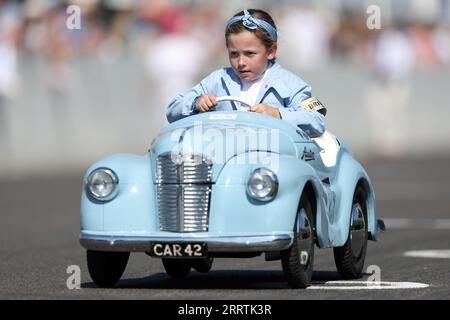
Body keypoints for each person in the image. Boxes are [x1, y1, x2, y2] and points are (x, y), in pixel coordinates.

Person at [166, 9, 326, 138]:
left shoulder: (292, 84)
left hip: (273, 163)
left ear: (271, 51)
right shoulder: (217, 80)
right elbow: (172, 110)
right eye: (234, 54)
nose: (241, 62)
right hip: (224, 160)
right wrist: (196, 103)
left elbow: (317, 120)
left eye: (250, 54)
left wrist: (277, 114)